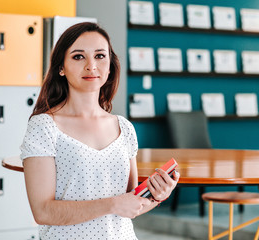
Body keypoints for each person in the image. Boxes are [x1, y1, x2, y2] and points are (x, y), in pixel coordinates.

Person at [20, 22, 180, 240]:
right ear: (61, 67)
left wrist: (157, 196)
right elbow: (43, 212)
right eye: (78, 56)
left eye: (100, 56)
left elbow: (130, 205)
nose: (91, 66)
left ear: (110, 65)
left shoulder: (124, 128)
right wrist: (112, 204)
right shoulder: (44, 127)